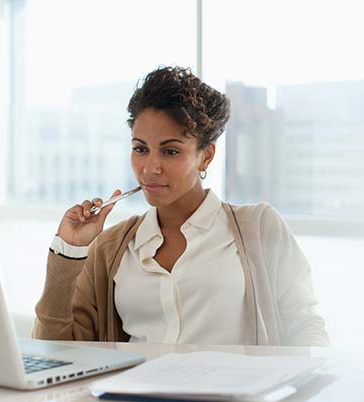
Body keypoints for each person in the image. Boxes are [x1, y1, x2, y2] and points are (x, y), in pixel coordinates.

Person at [33, 66, 329, 346]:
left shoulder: (260, 227)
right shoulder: (111, 248)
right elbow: (58, 351)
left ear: (206, 156)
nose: (149, 168)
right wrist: (70, 249)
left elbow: (305, 327)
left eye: (170, 151)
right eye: (140, 149)